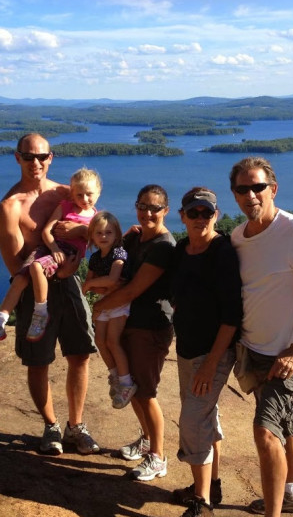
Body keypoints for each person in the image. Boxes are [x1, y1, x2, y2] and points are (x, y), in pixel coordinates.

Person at [228, 156, 293, 517]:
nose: (251, 194)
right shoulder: (237, 238)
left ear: (273, 189)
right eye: (242, 189)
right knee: (282, 424)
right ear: (235, 194)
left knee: (265, 432)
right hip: (254, 350)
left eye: (258, 187)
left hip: (288, 354)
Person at [0, 133, 100, 456]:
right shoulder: (9, 207)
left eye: (42, 157)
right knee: (38, 362)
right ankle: (51, 425)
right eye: (28, 157)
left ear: (51, 157)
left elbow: (96, 227)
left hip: (68, 283)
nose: (35, 163)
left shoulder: (66, 193)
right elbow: (15, 266)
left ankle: (75, 426)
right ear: (17, 158)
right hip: (34, 290)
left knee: (79, 354)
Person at [91, 184, 175, 482]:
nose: (148, 212)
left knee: (147, 393)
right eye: (143, 205)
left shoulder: (164, 246)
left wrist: (97, 307)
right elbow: (108, 241)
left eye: (155, 208)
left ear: (165, 211)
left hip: (150, 327)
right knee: (134, 389)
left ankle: (158, 457)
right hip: (129, 322)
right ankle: (147, 440)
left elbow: (134, 289)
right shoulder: (137, 237)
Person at [170, 187, 242, 517]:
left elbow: (231, 316)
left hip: (212, 353)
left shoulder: (222, 252)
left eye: (207, 213)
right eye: (193, 212)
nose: (200, 218)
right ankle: (211, 485)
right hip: (186, 349)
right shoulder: (182, 250)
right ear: (182, 215)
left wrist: (210, 365)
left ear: (216, 215)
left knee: (192, 420)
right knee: (204, 414)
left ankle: (201, 504)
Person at [0, 167, 100, 347]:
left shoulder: (97, 219)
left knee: (36, 267)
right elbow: (46, 231)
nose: (84, 199)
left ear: (98, 192)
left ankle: (41, 312)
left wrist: (83, 231)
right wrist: (53, 248)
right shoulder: (65, 206)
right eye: (79, 194)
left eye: (89, 194)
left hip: (67, 256)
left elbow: (102, 241)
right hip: (49, 249)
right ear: (72, 193)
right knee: (19, 278)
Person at [81, 210, 137, 409]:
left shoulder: (119, 253)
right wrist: (101, 286)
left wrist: (95, 286)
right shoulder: (96, 258)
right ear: (92, 236)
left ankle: (127, 383)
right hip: (106, 299)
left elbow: (112, 280)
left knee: (113, 341)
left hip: (119, 302)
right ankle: (115, 375)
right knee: (99, 341)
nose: (104, 237)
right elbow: (92, 284)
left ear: (117, 235)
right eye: (99, 233)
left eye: (108, 233)